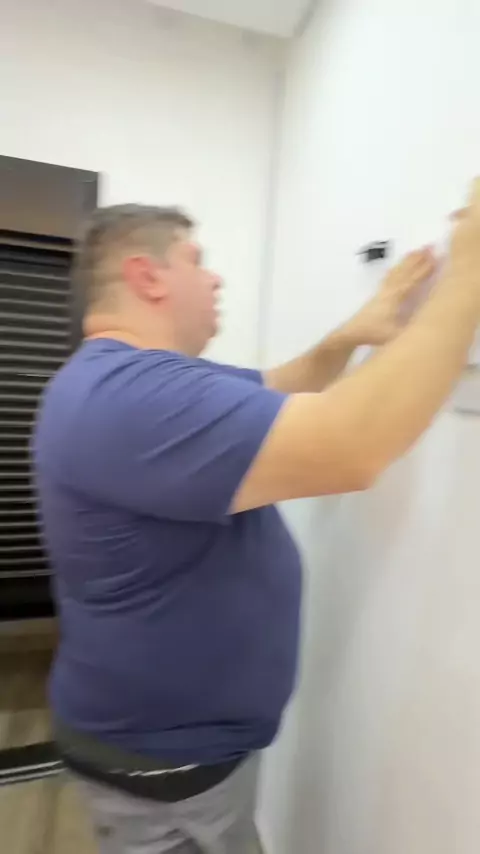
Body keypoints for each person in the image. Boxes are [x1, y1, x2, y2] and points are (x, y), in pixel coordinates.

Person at [33, 183, 480, 854]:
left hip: (165, 751)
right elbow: (352, 449)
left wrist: (351, 334)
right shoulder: (129, 398)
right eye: (196, 259)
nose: (215, 278)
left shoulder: (133, 385)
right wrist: (468, 270)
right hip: (164, 766)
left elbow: (280, 385)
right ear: (147, 276)